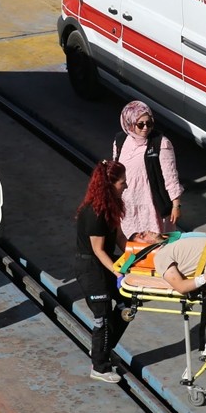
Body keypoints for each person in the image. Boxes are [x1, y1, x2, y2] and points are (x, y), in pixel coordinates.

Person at [75, 160, 134, 383]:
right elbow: (98, 250)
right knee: (103, 316)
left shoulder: (113, 205)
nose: (125, 186)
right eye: (122, 183)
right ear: (109, 185)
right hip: (91, 266)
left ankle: (104, 349)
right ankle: (99, 366)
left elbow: (119, 237)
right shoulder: (95, 213)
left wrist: (135, 256)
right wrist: (119, 273)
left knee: (128, 305)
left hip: (106, 263)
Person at [112, 101, 183, 241]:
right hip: (128, 206)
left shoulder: (161, 144)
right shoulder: (120, 141)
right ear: (129, 124)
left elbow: (171, 177)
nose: (145, 128)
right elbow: (115, 173)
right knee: (131, 245)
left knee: (154, 246)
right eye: (140, 124)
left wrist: (176, 205)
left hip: (151, 206)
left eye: (149, 123)